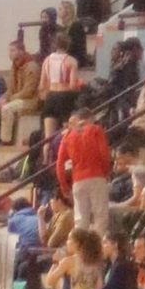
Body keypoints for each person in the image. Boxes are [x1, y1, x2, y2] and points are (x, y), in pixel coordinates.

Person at [55, 99, 115, 234]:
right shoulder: (96, 130)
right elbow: (104, 153)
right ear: (90, 119)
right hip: (97, 176)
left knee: (80, 219)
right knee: (100, 216)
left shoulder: (67, 136)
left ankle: (79, 245)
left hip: (78, 180)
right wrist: (106, 172)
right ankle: (97, 245)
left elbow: (59, 164)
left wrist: (64, 186)